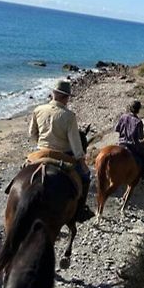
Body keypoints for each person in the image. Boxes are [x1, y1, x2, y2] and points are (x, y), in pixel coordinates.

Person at [29, 79, 95, 222]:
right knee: (85, 177)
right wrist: (81, 161)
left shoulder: (38, 110)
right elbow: (76, 144)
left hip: (40, 151)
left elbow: (32, 134)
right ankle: (80, 211)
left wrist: (41, 145)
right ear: (66, 97)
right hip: (63, 155)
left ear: (53, 94)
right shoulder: (69, 116)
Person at [115, 100, 144, 181]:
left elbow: (116, 129)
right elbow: (141, 137)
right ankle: (143, 177)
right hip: (133, 145)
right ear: (138, 110)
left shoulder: (123, 117)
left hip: (120, 143)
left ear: (130, 108)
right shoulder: (138, 121)